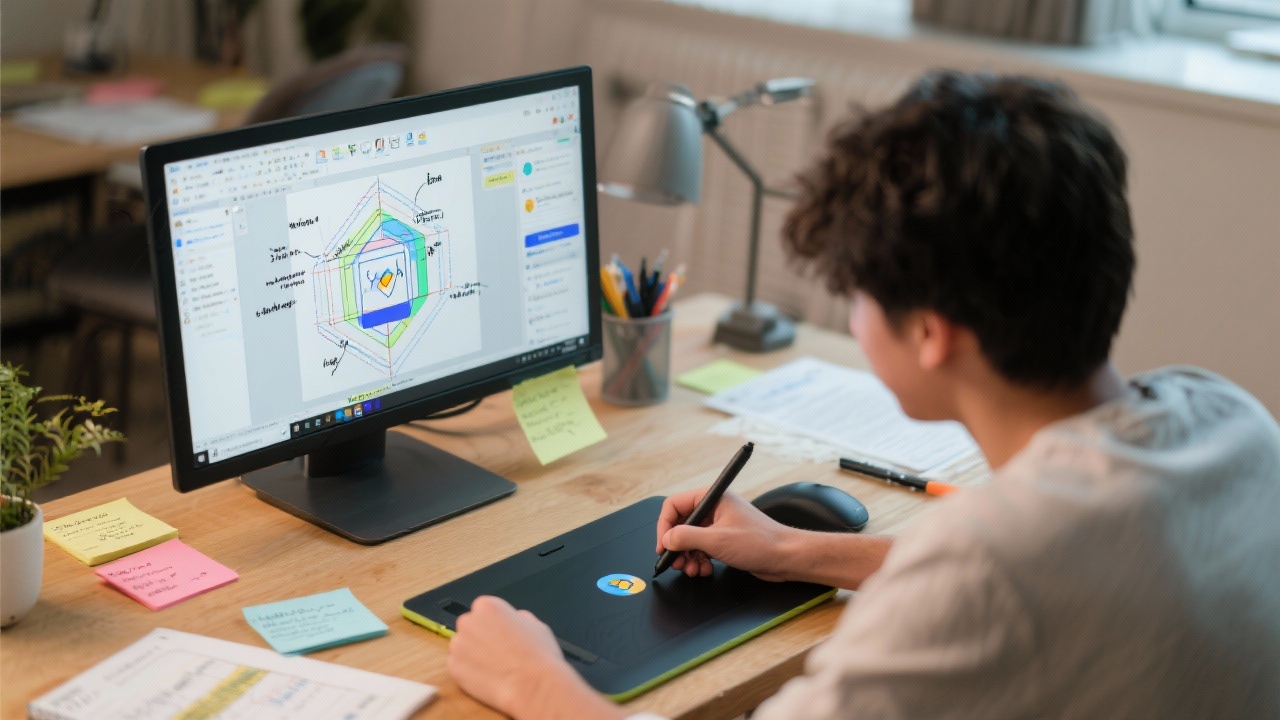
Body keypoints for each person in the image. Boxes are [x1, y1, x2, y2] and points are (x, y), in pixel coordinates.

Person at [446, 71, 1280, 719]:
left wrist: (536, 681)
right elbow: (1067, 577)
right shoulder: (1228, 417)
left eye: (858, 292)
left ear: (931, 332)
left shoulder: (987, 570)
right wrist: (796, 551)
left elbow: (989, 580)